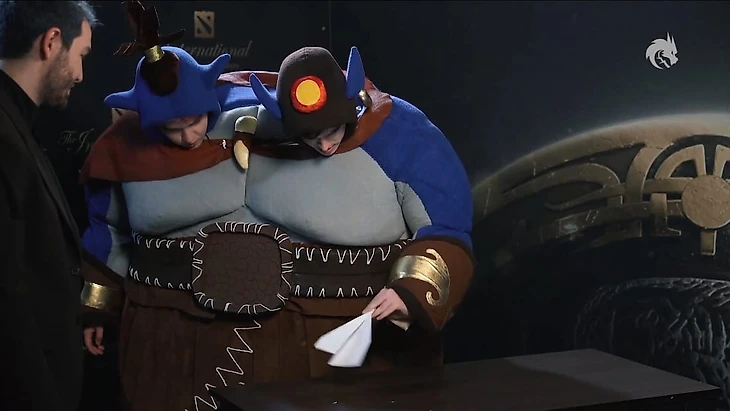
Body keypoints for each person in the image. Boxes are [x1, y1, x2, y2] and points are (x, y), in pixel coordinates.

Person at [0, 2, 98, 411]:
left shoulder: (17, 123)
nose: (80, 74)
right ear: (52, 42)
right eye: (81, 55)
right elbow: (7, 298)